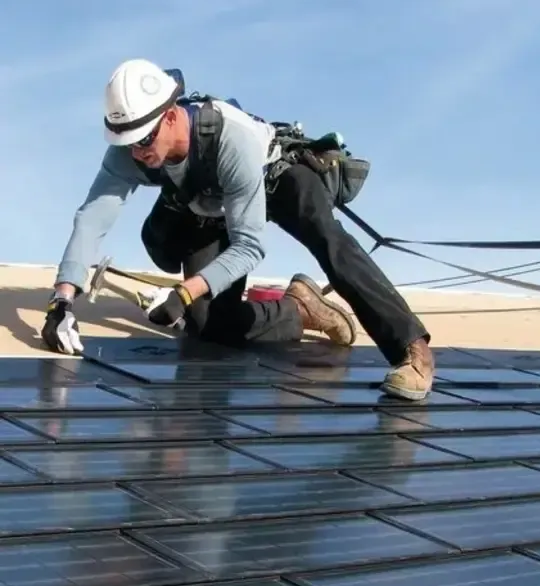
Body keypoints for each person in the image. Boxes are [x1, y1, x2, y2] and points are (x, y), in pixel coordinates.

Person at [42, 59, 434, 400]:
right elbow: (93, 216)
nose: (138, 152)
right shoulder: (131, 151)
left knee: (329, 240)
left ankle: (412, 351)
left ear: (172, 114)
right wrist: (61, 302)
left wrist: (185, 291)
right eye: (127, 142)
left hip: (275, 178)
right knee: (208, 326)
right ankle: (299, 309)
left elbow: (249, 245)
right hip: (210, 203)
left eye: (144, 139)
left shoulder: (231, 138)